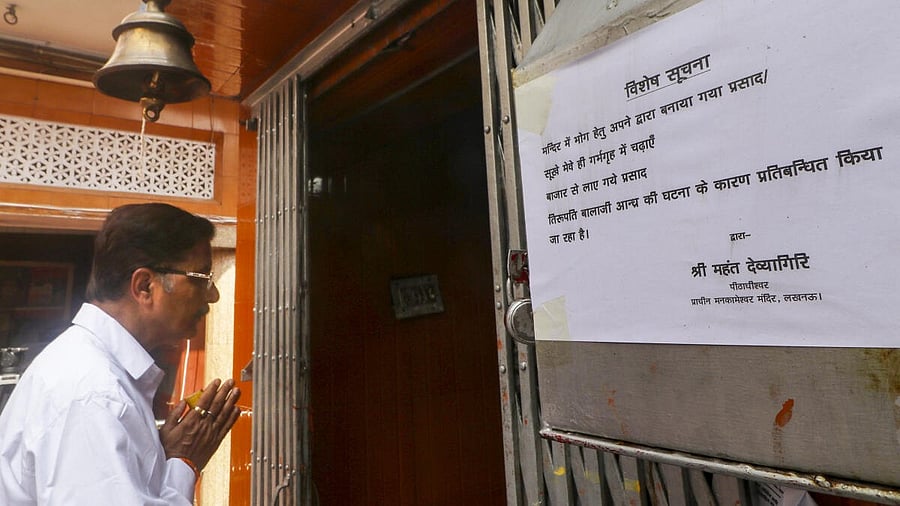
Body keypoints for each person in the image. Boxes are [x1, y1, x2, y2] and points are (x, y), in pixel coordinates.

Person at [0, 203, 242, 505]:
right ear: (145, 286)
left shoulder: (93, 374)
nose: (213, 295)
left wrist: (158, 458)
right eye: (201, 278)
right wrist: (183, 463)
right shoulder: (92, 393)